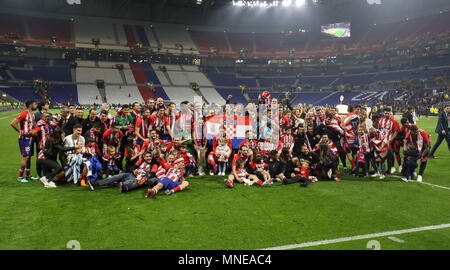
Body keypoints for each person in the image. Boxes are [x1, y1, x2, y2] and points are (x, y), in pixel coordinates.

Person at [10, 100, 38, 182]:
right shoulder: (24, 113)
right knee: (25, 157)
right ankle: (20, 177)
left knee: (28, 157)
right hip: (24, 139)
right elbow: (13, 123)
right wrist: (21, 131)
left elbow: (32, 125)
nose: (36, 105)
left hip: (30, 139)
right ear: (30, 105)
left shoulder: (32, 114)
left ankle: (28, 175)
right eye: (35, 104)